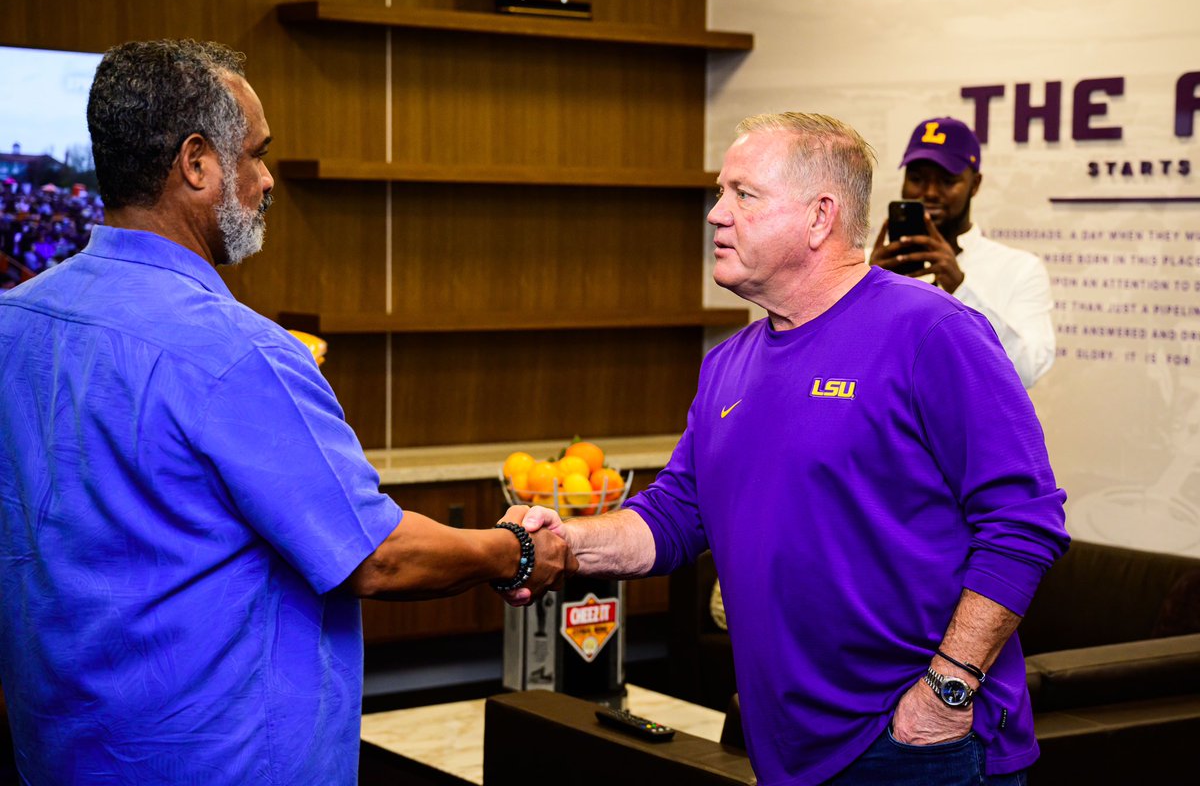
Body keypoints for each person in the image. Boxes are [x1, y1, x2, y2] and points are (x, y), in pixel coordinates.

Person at [0, 39, 575, 785]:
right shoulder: (240, 354)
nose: (268, 181)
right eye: (257, 156)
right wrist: (515, 551)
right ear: (197, 163)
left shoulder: (16, 323)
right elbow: (377, 555)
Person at [519, 113, 1069, 785]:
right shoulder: (727, 364)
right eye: (721, 194)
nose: (717, 215)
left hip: (918, 745)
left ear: (819, 217)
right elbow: (674, 515)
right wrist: (562, 543)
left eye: (743, 195)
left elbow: (1023, 523)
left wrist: (946, 692)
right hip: (786, 748)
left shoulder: (934, 332)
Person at [868, 116, 1055, 388]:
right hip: (881, 424)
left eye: (947, 180)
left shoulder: (1019, 269)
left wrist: (961, 288)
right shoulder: (866, 265)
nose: (929, 193)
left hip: (965, 428)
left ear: (975, 185)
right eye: (917, 178)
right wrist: (863, 291)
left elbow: (1026, 372)